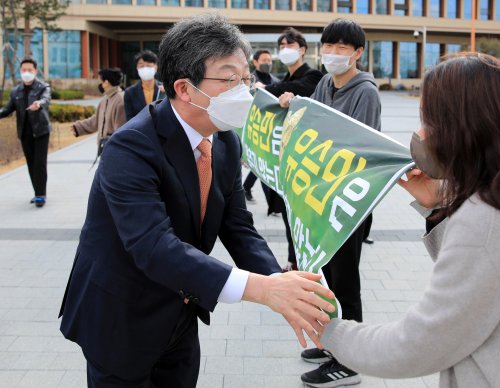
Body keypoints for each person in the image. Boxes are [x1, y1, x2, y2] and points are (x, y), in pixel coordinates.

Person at [58, 14, 335, 388]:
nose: (244, 90)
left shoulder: (223, 141)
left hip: (181, 313)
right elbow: (153, 246)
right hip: (120, 318)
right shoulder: (131, 147)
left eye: (245, 78)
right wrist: (263, 290)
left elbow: (237, 226)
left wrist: (281, 283)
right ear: (185, 88)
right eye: (229, 79)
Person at [319, 53, 500, 387]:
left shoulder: (489, 220)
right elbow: (489, 277)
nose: (421, 133)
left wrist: (329, 330)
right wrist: (442, 207)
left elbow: (416, 345)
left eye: (430, 121)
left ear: (464, 127)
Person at [278, 19, 381, 387]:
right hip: (321, 197)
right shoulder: (324, 82)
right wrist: (295, 106)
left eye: (342, 48)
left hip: (348, 203)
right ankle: (332, 343)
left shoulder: (365, 92)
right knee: (327, 276)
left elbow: (358, 147)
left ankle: (349, 362)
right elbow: (312, 125)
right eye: (329, 46)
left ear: (358, 53)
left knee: (346, 279)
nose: (333, 54)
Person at [259, 27, 323, 271]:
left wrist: (265, 90)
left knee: (300, 216)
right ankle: (293, 261)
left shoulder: (314, 75)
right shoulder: (284, 80)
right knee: (289, 215)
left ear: (303, 50)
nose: (285, 50)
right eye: (282, 46)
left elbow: (299, 88)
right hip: (288, 158)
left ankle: (302, 262)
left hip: (306, 158)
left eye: (290, 45)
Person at [0, 58, 51, 207]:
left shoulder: (43, 87)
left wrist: (38, 104)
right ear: (20, 71)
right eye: (24, 70)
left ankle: (41, 195)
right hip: (25, 133)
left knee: (39, 163)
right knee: (31, 163)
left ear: (35, 71)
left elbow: (46, 100)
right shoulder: (16, 91)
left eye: (30, 70)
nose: (26, 73)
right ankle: (37, 192)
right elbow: (8, 109)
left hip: (41, 131)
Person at [243, 49, 279, 203]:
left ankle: (246, 187)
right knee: (263, 161)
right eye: (264, 60)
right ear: (255, 62)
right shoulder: (248, 81)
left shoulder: (275, 81)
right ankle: (273, 203)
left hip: (270, 127)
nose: (267, 63)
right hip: (254, 127)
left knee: (262, 162)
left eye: (269, 60)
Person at [71, 68, 126, 158]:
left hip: (115, 150)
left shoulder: (120, 99)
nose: (100, 85)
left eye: (101, 81)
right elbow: (96, 120)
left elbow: (120, 129)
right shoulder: (105, 99)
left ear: (106, 82)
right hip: (105, 149)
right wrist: (78, 127)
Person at [124, 50, 165, 121]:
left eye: (148, 65)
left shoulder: (165, 89)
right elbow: (129, 118)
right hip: (139, 130)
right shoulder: (130, 92)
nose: (145, 68)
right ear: (137, 68)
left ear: (155, 67)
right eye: (141, 65)